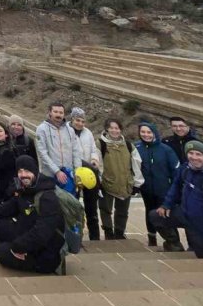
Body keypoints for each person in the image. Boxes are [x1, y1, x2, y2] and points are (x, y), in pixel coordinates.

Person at [0, 155, 65, 274]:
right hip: (26, 234)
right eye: (20, 171)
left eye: (27, 171)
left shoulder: (47, 197)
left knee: (1, 251)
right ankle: (15, 252)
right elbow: (11, 205)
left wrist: (18, 247)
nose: (23, 174)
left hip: (45, 253)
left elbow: (42, 233)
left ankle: (20, 256)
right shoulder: (27, 189)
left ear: (35, 171)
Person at [134, 119, 179, 247]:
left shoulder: (166, 150)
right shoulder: (136, 147)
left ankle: (173, 241)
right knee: (149, 213)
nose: (146, 135)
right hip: (146, 189)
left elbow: (176, 171)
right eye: (142, 132)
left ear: (154, 133)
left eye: (149, 132)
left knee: (164, 215)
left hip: (163, 189)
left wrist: (173, 189)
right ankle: (152, 239)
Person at [97, 117, 144, 240]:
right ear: (107, 129)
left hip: (125, 183)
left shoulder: (128, 146)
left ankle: (119, 232)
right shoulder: (100, 144)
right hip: (106, 183)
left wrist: (137, 183)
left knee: (122, 211)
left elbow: (136, 164)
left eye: (117, 128)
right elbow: (98, 163)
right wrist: (99, 181)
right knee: (105, 209)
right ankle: (108, 232)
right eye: (111, 128)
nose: (114, 131)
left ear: (120, 130)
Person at [68, 108, 102, 241]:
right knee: (74, 206)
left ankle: (95, 237)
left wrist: (94, 159)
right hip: (74, 173)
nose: (80, 123)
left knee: (92, 208)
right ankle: (76, 237)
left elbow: (93, 149)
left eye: (82, 121)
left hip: (89, 174)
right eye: (77, 120)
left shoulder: (87, 133)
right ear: (72, 119)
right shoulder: (66, 132)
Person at [35, 101, 83, 192]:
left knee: (69, 201)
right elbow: (42, 153)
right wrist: (56, 171)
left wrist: (78, 171)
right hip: (50, 174)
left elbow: (76, 151)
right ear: (50, 112)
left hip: (68, 173)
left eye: (61, 112)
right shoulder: (41, 129)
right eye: (55, 112)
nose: (58, 115)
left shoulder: (70, 130)